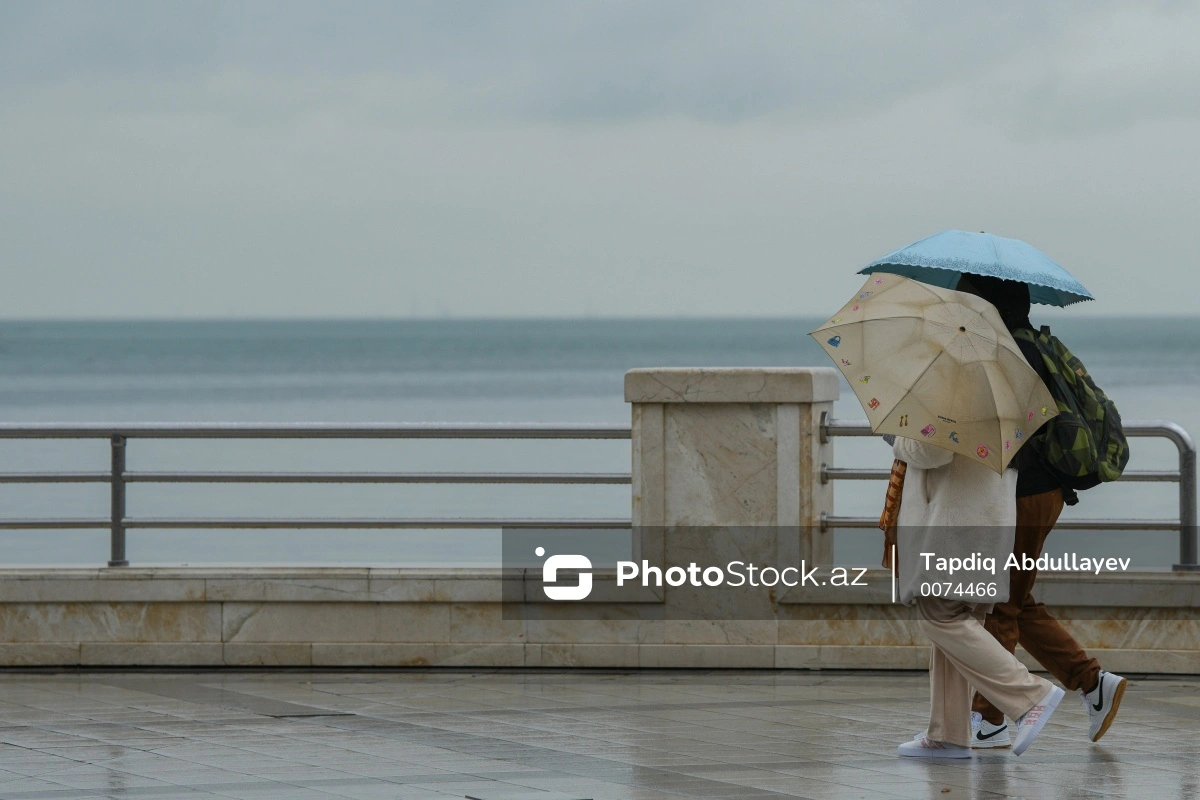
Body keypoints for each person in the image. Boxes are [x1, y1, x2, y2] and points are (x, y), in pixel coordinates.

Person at [956, 274, 1126, 747]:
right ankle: (1092, 683)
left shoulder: (1009, 355)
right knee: (1017, 597)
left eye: (968, 297)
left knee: (1001, 605)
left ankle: (989, 719)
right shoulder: (1032, 344)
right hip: (1039, 491)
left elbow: (996, 432)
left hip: (1024, 493)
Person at [892, 431, 1064, 758]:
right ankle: (948, 734)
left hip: (956, 522)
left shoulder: (954, 384)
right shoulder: (998, 388)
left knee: (939, 617)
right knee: (957, 620)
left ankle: (1030, 695)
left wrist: (897, 438)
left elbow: (931, 449)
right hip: (984, 515)